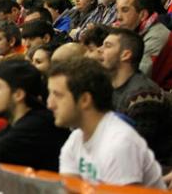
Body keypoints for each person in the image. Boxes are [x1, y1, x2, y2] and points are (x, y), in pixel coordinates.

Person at [47, 57, 165, 188]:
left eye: (57, 95)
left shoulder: (120, 143)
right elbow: (67, 190)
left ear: (85, 100)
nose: (49, 104)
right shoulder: (76, 139)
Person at [98, 28, 172, 165]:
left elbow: (134, 152)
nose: (99, 50)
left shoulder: (143, 95)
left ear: (125, 55)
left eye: (107, 46)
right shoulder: (107, 87)